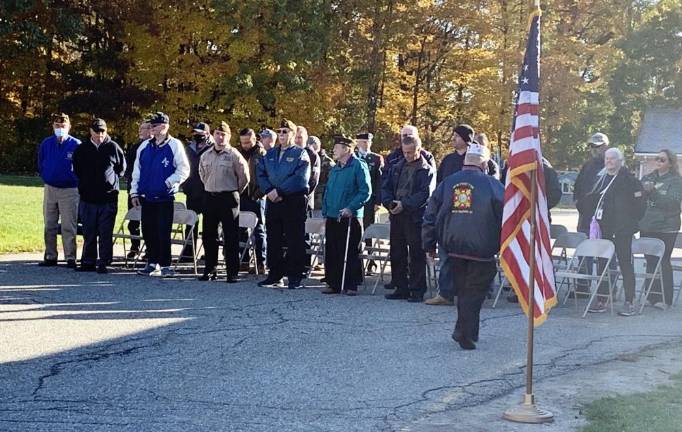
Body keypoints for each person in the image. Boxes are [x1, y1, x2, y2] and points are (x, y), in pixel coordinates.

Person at [422, 143, 504, 350]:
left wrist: (429, 244)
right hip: (482, 248)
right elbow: (507, 217)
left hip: (453, 247)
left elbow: (430, 215)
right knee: (474, 292)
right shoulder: (493, 186)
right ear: (484, 163)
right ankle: (465, 333)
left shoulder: (447, 183)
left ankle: (464, 329)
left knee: (462, 290)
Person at [586, 147, 645, 316]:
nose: (609, 161)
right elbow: (591, 200)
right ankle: (602, 299)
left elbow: (640, 206)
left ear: (620, 161)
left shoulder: (630, 180)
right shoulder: (600, 179)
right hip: (604, 230)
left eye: (612, 158)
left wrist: (629, 222)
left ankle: (630, 301)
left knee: (626, 264)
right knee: (603, 264)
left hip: (623, 231)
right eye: (607, 158)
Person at [130, 112, 190, 277]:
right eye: (151, 126)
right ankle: (151, 262)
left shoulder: (175, 145)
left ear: (164, 126)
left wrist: (169, 182)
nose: (152, 129)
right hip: (146, 197)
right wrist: (134, 192)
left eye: (154, 126)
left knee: (163, 231)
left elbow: (184, 169)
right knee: (148, 230)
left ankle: (165, 265)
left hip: (164, 197)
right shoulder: (144, 147)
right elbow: (137, 171)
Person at [256, 118, 311, 289]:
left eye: (285, 132)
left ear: (293, 135)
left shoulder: (300, 154)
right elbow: (261, 173)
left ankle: (294, 276)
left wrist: (280, 191)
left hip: (292, 201)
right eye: (279, 131)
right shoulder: (270, 154)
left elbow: (300, 178)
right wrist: (269, 191)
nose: (281, 135)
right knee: (274, 239)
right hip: (273, 201)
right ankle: (275, 274)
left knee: (294, 240)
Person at [381, 135, 436, 302]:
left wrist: (404, 204)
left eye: (411, 152)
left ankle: (417, 290)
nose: (408, 155)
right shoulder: (397, 166)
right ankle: (400, 287)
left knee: (416, 254)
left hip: (415, 217)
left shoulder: (426, 169)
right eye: (405, 152)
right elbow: (386, 187)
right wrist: (389, 203)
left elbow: (425, 194)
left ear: (419, 150)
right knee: (397, 252)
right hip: (396, 215)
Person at [72, 118, 126, 273]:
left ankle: (104, 261)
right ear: (91, 131)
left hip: (108, 198)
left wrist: (109, 181)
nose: (100, 135)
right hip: (88, 198)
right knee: (89, 231)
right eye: (97, 131)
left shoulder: (113, 147)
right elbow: (76, 169)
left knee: (105, 232)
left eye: (102, 131)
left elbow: (121, 169)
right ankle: (88, 261)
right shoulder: (82, 149)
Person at [198, 121, 250, 283]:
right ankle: (210, 270)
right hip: (210, 197)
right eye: (218, 134)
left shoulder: (234, 154)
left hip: (228, 198)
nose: (220, 137)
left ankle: (232, 272)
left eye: (224, 135)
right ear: (213, 136)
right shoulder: (206, 155)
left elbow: (244, 177)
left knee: (231, 236)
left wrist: (234, 191)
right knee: (208, 235)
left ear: (229, 136)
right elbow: (202, 174)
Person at [320, 135, 371, 296]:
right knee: (332, 249)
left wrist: (351, 207)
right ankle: (333, 282)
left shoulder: (358, 166)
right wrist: (325, 210)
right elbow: (328, 191)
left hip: (350, 216)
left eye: (336, 147)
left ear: (346, 149)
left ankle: (351, 283)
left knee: (349, 250)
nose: (333, 150)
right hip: (333, 215)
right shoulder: (335, 168)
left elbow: (365, 191)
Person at [37, 113, 81, 268]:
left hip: (69, 190)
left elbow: (82, 168)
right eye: (57, 126)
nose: (60, 128)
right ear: (53, 127)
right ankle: (50, 256)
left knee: (69, 225)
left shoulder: (76, 145)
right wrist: (46, 176)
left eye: (63, 126)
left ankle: (70, 257)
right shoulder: (46, 143)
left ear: (69, 127)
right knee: (49, 224)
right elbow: (41, 162)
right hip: (50, 188)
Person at [639, 149, 682, 308]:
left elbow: (671, 202)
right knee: (650, 261)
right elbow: (638, 197)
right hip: (647, 225)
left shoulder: (676, 181)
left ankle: (665, 299)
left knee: (662, 261)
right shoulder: (648, 177)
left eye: (662, 160)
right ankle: (651, 296)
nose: (658, 162)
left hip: (666, 227)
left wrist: (654, 192)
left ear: (670, 163)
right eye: (657, 159)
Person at [180, 122, 213, 261]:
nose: (197, 136)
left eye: (201, 133)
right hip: (192, 191)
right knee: (190, 224)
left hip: (207, 192)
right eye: (195, 133)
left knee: (209, 226)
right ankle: (188, 253)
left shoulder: (212, 149)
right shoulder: (189, 149)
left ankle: (209, 253)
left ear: (207, 134)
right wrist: (185, 186)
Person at [237, 128, 267, 274]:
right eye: (243, 142)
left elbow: (266, 176)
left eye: (248, 142)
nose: (245, 145)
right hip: (241, 195)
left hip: (256, 196)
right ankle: (243, 260)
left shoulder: (261, 154)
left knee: (259, 230)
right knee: (241, 228)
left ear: (255, 139)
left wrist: (258, 194)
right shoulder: (238, 153)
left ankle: (261, 261)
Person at [355, 132, 384, 275]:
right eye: (362, 142)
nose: (365, 145)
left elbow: (379, 181)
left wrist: (378, 201)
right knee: (356, 230)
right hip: (355, 200)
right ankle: (357, 262)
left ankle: (371, 261)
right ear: (357, 143)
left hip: (370, 201)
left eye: (368, 142)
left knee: (369, 230)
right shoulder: (353, 158)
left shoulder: (376, 159)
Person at [123, 120, 152, 259]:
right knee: (133, 222)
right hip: (134, 189)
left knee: (148, 222)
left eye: (144, 128)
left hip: (148, 190)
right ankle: (134, 246)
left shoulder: (154, 147)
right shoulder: (135, 147)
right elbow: (129, 167)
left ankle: (149, 249)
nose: (140, 131)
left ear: (151, 130)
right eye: (140, 128)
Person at [574, 133, 609, 235]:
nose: (593, 149)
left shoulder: (612, 166)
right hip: (585, 218)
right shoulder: (587, 166)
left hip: (604, 218)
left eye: (597, 146)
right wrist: (578, 203)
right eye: (591, 146)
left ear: (605, 146)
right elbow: (578, 187)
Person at [308, 135, 335, 217]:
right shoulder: (305, 157)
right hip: (309, 199)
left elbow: (332, 183)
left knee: (318, 225)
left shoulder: (328, 162)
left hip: (321, 200)